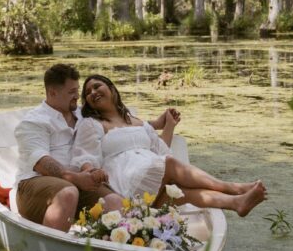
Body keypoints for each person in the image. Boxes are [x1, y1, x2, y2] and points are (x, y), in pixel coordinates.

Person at [71, 74, 267, 216]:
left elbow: (160, 151)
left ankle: (236, 203)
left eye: (97, 86)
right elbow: (84, 155)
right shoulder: (92, 124)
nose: (92, 93)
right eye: (87, 93)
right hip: (126, 181)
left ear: (112, 89)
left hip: (150, 177)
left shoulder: (138, 122)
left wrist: (169, 126)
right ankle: (232, 188)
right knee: (170, 164)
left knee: (182, 195)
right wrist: (91, 172)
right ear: (88, 103)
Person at [14, 64, 124, 231]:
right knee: (68, 193)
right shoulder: (34, 121)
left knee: (115, 201)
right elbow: (41, 162)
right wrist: (75, 178)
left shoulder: (83, 114)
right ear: (52, 93)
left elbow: (117, 121)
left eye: (77, 90)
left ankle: (111, 250)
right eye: (71, 92)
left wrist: (156, 124)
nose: (77, 96)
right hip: (34, 184)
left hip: (79, 182)